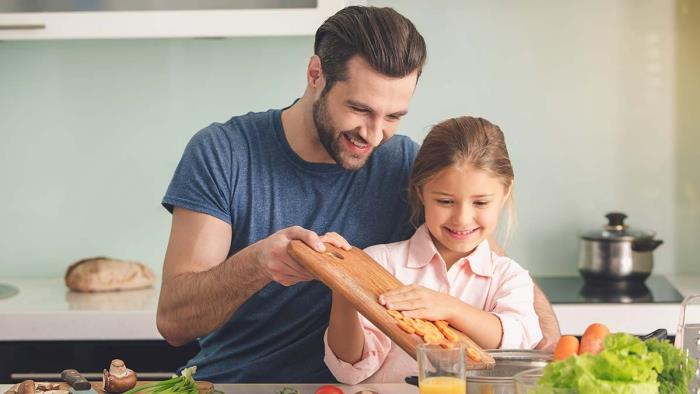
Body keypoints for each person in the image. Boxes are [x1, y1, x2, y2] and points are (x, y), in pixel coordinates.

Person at [157, 5, 559, 383]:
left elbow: (482, 252)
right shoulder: (224, 152)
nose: (374, 133)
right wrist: (260, 263)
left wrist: (548, 335)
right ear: (316, 74)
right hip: (238, 384)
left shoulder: (402, 162)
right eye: (360, 110)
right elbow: (174, 323)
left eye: (394, 117)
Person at [323, 116, 543, 384]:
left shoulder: (509, 277)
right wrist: (343, 287)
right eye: (445, 201)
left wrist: (450, 308)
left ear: (505, 194)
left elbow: (519, 343)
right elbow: (351, 368)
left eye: (481, 202)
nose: (462, 218)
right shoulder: (379, 263)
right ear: (421, 192)